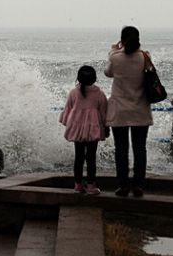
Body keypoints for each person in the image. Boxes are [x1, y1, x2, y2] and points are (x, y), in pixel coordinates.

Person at [105, 26, 154, 197]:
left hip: (120, 110)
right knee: (140, 148)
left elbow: (108, 73)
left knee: (121, 148)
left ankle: (123, 185)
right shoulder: (144, 56)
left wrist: (113, 51)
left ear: (122, 39)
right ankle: (139, 185)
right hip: (140, 109)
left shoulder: (115, 57)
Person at [59, 65, 108, 194]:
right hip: (93, 131)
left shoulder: (73, 93)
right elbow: (104, 114)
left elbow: (67, 111)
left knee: (78, 158)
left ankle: (78, 185)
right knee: (91, 158)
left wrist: (67, 124)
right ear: (95, 79)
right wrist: (106, 128)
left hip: (78, 130)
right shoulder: (100, 94)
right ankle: (91, 186)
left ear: (78, 79)